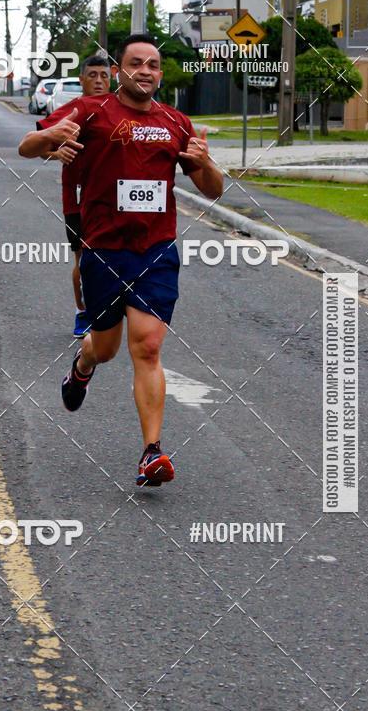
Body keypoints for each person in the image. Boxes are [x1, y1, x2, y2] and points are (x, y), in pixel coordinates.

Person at [18, 34, 223, 487]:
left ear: (160, 73)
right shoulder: (91, 112)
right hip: (103, 251)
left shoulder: (176, 122)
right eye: (136, 63)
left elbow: (213, 190)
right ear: (118, 71)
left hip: (155, 250)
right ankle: (82, 365)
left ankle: (151, 452)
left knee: (147, 348)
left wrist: (206, 164)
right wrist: (49, 136)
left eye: (153, 64)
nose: (145, 70)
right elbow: (27, 147)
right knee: (105, 348)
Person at [42, 55, 110, 338]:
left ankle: (111, 310)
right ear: (81, 79)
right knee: (83, 260)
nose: (98, 80)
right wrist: (54, 152)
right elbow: (38, 141)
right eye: (92, 75)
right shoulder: (72, 110)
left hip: (113, 199)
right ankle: (83, 312)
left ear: (113, 78)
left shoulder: (122, 110)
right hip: (78, 199)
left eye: (103, 75)